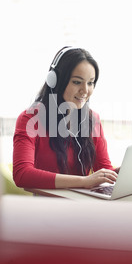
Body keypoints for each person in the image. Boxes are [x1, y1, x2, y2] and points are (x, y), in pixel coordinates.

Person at [13, 46, 119, 190]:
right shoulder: (30, 119)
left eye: (90, 83)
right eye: (77, 82)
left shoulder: (91, 119)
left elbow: (104, 170)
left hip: (84, 205)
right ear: (55, 81)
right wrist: (85, 181)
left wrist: (126, 170)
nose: (85, 90)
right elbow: (22, 175)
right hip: (48, 207)